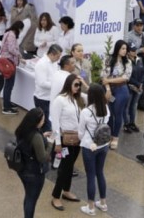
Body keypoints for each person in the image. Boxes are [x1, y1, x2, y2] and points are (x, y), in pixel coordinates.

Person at [49, 74, 84, 209]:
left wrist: (84, 84)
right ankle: (56, 196)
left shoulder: (78, 99)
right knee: (64, 167)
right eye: (75, 84)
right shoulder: (60, 100)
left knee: (70, 166)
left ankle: (66, 190)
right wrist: (57, 142)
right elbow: (55, 122)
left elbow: (95, 95)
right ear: (68, 84)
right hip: (64, 140)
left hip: (77, 139)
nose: (78, 87)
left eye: (79, 85)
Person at [78, 84, 110, 216]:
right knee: (100, 173)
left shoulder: (86, 112)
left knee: (90, 175)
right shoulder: (106, 109)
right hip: (103, 145)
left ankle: (90, 206)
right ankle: (103, 203)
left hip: (89, 146)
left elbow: (80, 132)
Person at [15, 108, 52, 218]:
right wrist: (49, 144)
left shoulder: (22, 130)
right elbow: (42, 157)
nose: (44, 122)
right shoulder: (36, 137)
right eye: (42, 120)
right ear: (36, 121)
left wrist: (42, 137)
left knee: (28, 196)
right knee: (32, 199)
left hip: (22, 169)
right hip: (34, 173)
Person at [101, 40, 131, 149]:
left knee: (118, 113)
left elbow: (125, 78)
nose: (124, 51)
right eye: (123, 48)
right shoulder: (108, 59)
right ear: (117, 48)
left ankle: (115, 137)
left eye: (126, 49)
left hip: (121, 89)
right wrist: (108, 89)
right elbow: (104, 75)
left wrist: (109, 81)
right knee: (108, 113)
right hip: (109, 89)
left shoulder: (127, 62)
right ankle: (108, 135)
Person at [33, 44, 62, 132]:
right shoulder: (42, 64)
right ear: (52, 54)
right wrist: (56, 85)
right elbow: (42, 83)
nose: (59, 58)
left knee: (48, 123)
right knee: (45, 124)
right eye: (58, 56)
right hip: (42, 98)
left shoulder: (55, 63)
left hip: (51, 98)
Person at [0, 21, 24, 115]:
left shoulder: (7, 33)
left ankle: (7, 103)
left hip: (6, 61)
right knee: (9, 85)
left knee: (8, 84)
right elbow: (11, 49)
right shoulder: (12, 35)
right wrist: (19, 55)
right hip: (9, 62)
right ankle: (6, 107)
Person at [124, 45, 144, 134]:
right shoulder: (126, 62)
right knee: (127, 106)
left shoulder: (139, 59)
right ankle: (126, 124)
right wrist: (137, 84)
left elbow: (143, 72)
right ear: (128, 52)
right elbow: (128, 76)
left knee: (133, 106)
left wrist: (141, 84)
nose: (134, 52)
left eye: (135, 50)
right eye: (132, 50)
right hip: (129, 87)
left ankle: (132, 122)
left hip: (138, 88)